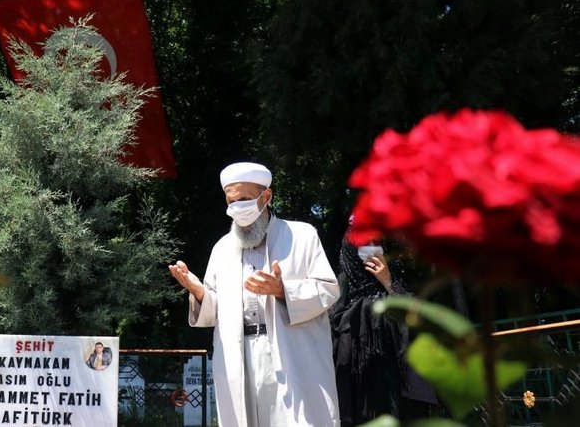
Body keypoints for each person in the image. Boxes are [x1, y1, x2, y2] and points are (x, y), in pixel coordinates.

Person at [169, 162, 341, 427]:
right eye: (232, 201)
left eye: (245, 199)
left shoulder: (302, 236)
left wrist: (283, 290)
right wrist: (199, 293)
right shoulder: (222, 248)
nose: (238, 207)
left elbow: (328, 290)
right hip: (239, 355)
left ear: (267, 196)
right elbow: (216, 312)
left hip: (290, 352)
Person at [329, 219, 438, 426]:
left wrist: (388, 283)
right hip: (359, 397)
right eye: (363, 245)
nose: (371, 252)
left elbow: (420, 322)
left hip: (397, 394)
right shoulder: (339, 294)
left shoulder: (395, 288)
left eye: (374, 243)